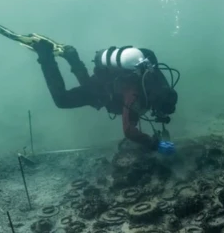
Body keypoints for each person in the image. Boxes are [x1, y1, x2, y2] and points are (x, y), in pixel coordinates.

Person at [35, 41, 178, 153]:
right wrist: (155, 145)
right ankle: (45, 55)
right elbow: (128, 131)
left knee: (88, 86)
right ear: (155, 102)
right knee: (62, 100)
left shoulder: (157, 83)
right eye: (159, 110)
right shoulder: (134, 94)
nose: (158, 114)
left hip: (106, 86)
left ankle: (72, 57)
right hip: (103, 89)